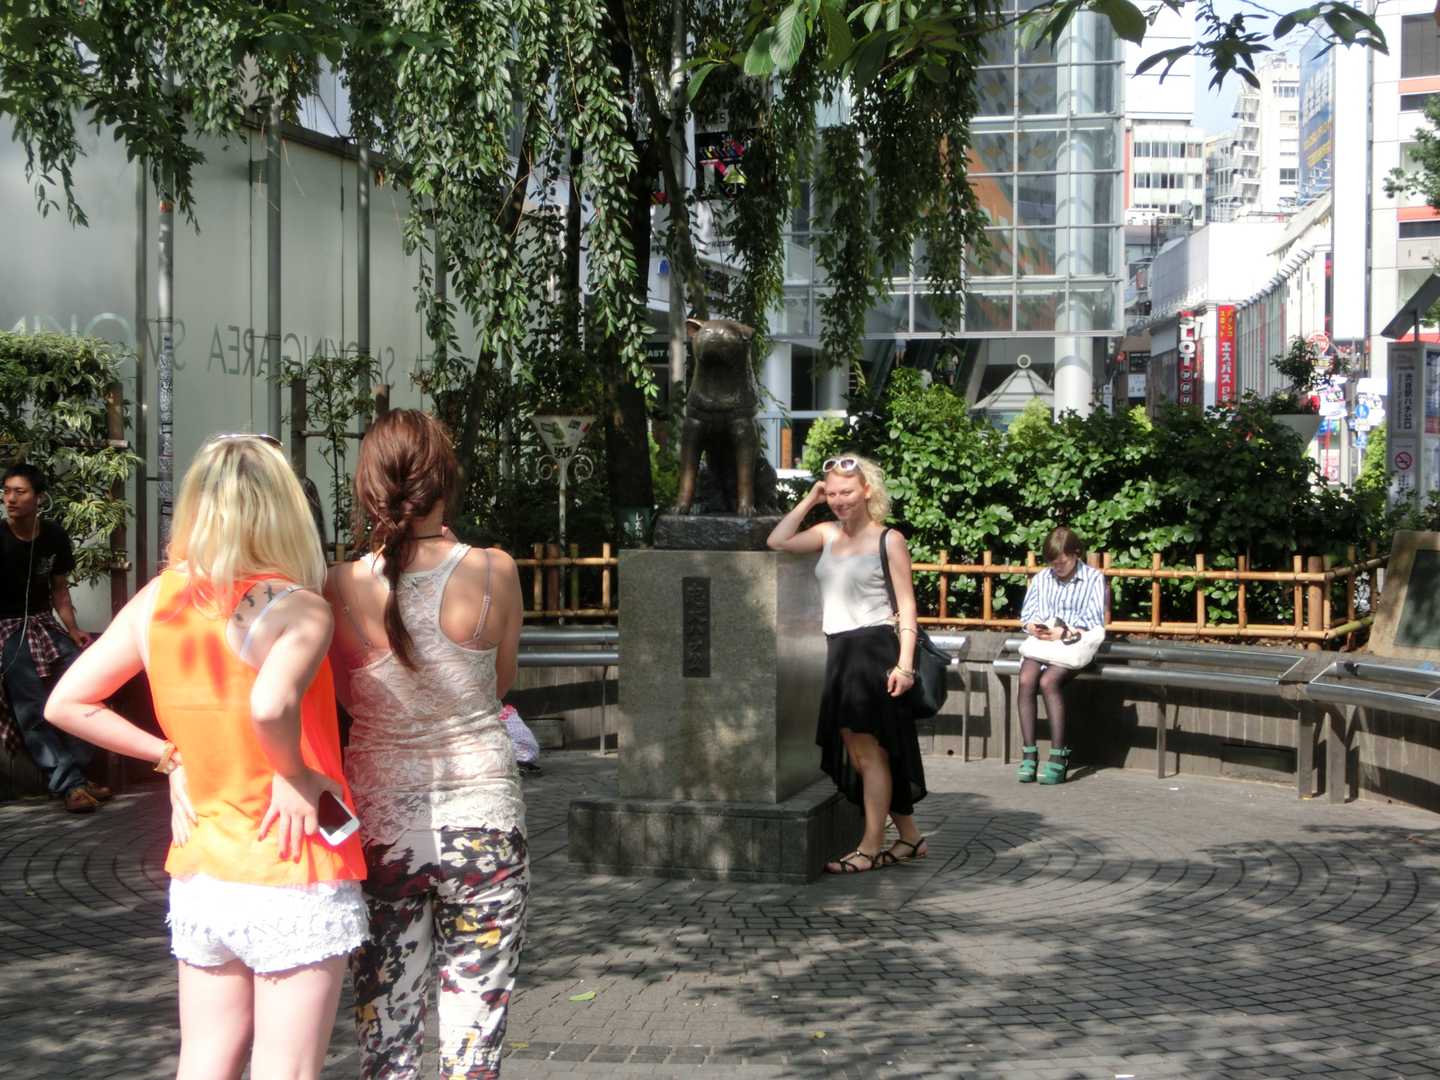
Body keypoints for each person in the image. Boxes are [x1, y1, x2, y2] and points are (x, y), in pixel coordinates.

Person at [44, 434, 368, 1080]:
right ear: (282, 508)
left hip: (204, 872)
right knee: (286, 1068)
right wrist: (295, 773)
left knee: (203, 1062)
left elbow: (67, 703)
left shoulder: (157, 600)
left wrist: (170, 758)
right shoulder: (298, 606)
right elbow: (270, 704)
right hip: (294, 866)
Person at [326, 409, 527, 1079]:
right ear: (445, 479)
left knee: (386, 1034)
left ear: (370, 486)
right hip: (485, 823)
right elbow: (499, 685)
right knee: (475, 1035)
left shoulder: (339, 585)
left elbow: (347, 702)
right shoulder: (495, 571)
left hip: (381, 828)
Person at [767, 453, 928, 873]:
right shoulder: (826, 533)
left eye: (847, 492)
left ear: (867, 491)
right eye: (833, 493)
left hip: (874, 651)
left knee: (870, 754)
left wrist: (905, 666)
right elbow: (777, 541)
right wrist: (810, 499)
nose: (839, 500)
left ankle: (870, 847)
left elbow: (907, 605)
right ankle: (910, 837)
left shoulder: (889, 539)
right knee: (863, 754)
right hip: (839, 651)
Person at [0, 463, 110, 813]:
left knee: (85, 688)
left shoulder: (54, 536)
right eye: (6, 491)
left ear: (39, 498)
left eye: (20, 492)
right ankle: (70, 785)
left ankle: (76, 775)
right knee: (31, 708)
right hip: (8, 630)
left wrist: (73, 630)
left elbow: (60, 589)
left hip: (45, 624)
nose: (10, 499)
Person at [1016, 525, 1107, 785]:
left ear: (1076, 554)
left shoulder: (1093, 578)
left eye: (1062, 562)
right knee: (1026, 679)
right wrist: (1033, 627)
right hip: (1043, 642)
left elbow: (1094, 620)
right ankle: (1029, 753)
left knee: (1048, 682)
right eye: (1053, 563)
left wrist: (1064, 632)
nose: (1057, 567)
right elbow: (1027, 615)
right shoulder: (1042, 578)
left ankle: (1058, 755)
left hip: (1072, 644)